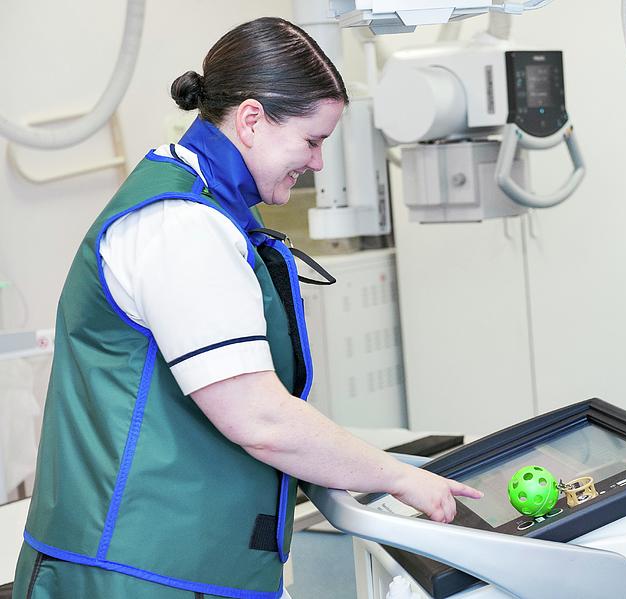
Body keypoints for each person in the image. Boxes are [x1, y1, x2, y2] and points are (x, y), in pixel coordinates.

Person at [13, 17, 481, 599]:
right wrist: (399, 477)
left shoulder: (203, 201)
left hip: (184, 564)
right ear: (252, 119)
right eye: (312, 140)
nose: (317, 163)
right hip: (136, 575)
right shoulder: (181, 225)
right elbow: (258, 418)